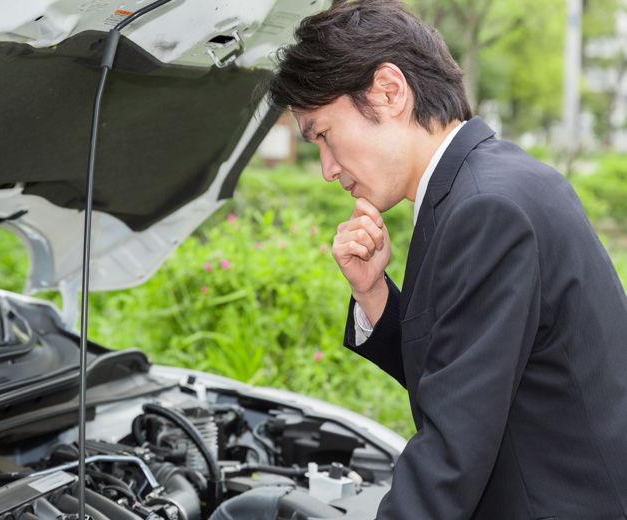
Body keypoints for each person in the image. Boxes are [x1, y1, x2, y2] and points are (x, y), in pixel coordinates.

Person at [261, 1, 627, 519]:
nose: (326, 168)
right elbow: (467, 373)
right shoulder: (478, 186)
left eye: (322, 133)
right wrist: (374, 294)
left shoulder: (485, 209)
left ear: (388, 91)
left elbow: (453, 452)